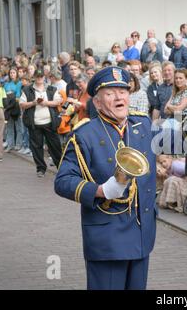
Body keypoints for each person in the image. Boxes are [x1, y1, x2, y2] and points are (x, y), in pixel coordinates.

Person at [54, 66, 156, 290]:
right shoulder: (85, 133)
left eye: (123, 90)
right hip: (107, 238)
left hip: (141, 235)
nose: (119, 97)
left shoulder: (143, 125)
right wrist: (100, 191)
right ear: (97, 103)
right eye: (110, 93)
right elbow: (62, 181)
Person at [20, 70, 62, 177]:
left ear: (44, 77)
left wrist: (45, 103)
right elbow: (22, 104)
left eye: (41, 76)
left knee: (55, 146)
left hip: (50, 123)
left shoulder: (51, 88)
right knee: (36, 147)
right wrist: (34, 102)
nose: (39, 78)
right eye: (37, 76)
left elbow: (58, 101)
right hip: (34, 123)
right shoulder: (27, 89)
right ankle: (41, 169)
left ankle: (61, 168)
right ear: (34, 77)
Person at [3, 67, 23, 153]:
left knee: (19, 127)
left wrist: (13, 96)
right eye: (11, 73)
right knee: (9, 127)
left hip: (16, 106)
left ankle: (18, 144)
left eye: (14, 73)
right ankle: (10, 144)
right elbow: (4, 94)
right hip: (8, 106)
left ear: (17, 74)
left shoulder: (19, 83)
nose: (12, 74)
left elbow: (18, 93)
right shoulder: (6, 84)